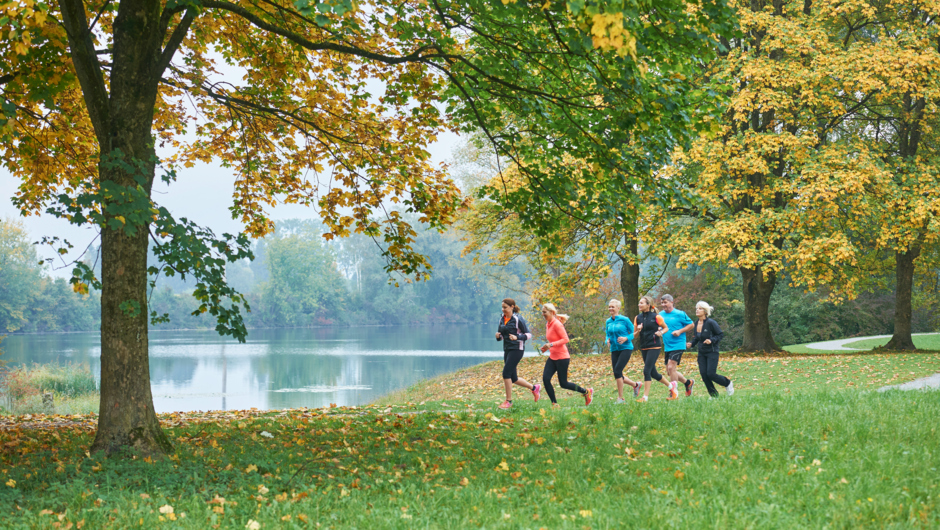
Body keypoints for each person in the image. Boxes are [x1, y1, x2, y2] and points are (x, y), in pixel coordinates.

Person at [539, 303, 592, 407]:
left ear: (552, 312)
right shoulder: (548, 324)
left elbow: (565, 339)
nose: (542, 314)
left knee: (563, 384)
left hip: (562, 358)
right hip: (553, 357)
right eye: (542, 312)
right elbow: (552, 340)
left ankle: (586, 392)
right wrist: (546, 347)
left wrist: (551, 344)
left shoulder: (557, 324)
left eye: (544, 312)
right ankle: (554, 404)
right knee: (546, 379)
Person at [496, 298, 541, 409]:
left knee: (506, 373)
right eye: (502, 307)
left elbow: (528, 335)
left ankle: (508, 402)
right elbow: (502, 335)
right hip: (507, 348)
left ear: (512, 307)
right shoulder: (502, 318)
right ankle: (534, 388)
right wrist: (498, 336)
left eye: (505, 307)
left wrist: (517, 337)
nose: (503, 309)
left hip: (517, 349)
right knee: (513, 378)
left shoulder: (517, 319)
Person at [687, 301, 734, 397]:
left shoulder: (711, 323)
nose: (697, 310)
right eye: (696, 308)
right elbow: (697, 337)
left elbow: (720, 334)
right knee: (704, 375)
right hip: (701, 352)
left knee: (711, 374)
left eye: (700, 308)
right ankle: (714, 395)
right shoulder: (696, 323)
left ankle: (727, 383)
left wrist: (711, 340)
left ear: (705, 311)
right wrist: (691, 344)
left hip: (712, 352)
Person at [633, 295, 671, 402]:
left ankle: (645, 397)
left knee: (646, 371)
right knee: (653, 373)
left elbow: (666, 328)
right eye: (639, 303)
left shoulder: (656, 317)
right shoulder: (637, 318)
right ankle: (672, 387)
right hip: (644, 347)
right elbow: (634, 335)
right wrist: (638, 330)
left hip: (654, 346)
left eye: (641, 303)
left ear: (648, 305)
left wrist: (660, 332)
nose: (639, 305)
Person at [659, 294, 695, 399]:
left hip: (678, 344)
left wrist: (680, 331)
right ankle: (688, 382)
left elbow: (691, 324)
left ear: (671, 302)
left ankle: (673, 392)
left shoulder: (680, 314)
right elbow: (659, 326)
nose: (663, 305)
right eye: (662, 303)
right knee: (669, 371)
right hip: (667, 345)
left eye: (665, 302)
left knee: (671, 367)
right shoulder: (660, 315)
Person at [604, 299, 641, 403]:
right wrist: (607, 339)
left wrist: (626, 338)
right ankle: (636, 385)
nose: (610, 308)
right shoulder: (608, 321)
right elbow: (607, 333)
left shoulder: (625, 320)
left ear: (618, 308)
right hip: (614, 349)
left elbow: (634, 333)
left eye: (613, 307)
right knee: (617, 374)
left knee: (617, 371)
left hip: (626, 348)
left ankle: (620, 398)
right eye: (609, 307)